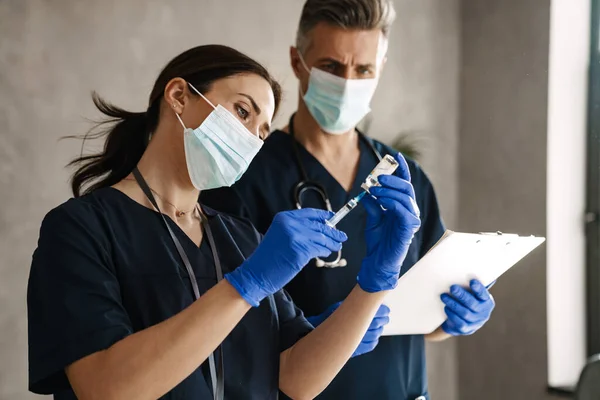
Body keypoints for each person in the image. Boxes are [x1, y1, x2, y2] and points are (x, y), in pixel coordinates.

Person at [27, 44, 421, 400]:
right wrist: (247, 284)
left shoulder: (242, 237)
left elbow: (296, 378)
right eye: (243, 111)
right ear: (179, 96)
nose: (251, 138)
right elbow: (105, 388)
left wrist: (375, 280)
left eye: (263, 131)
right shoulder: (81, 229)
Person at [200, 1, 496, 399]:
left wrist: (455, 317)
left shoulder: (405, 178)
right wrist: (317, 333)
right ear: (297, 60)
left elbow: (425, 310)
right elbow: (216, 329)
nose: (347, 82)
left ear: (381, 67)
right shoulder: (243, 178)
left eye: (363, 70)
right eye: (331, 67)